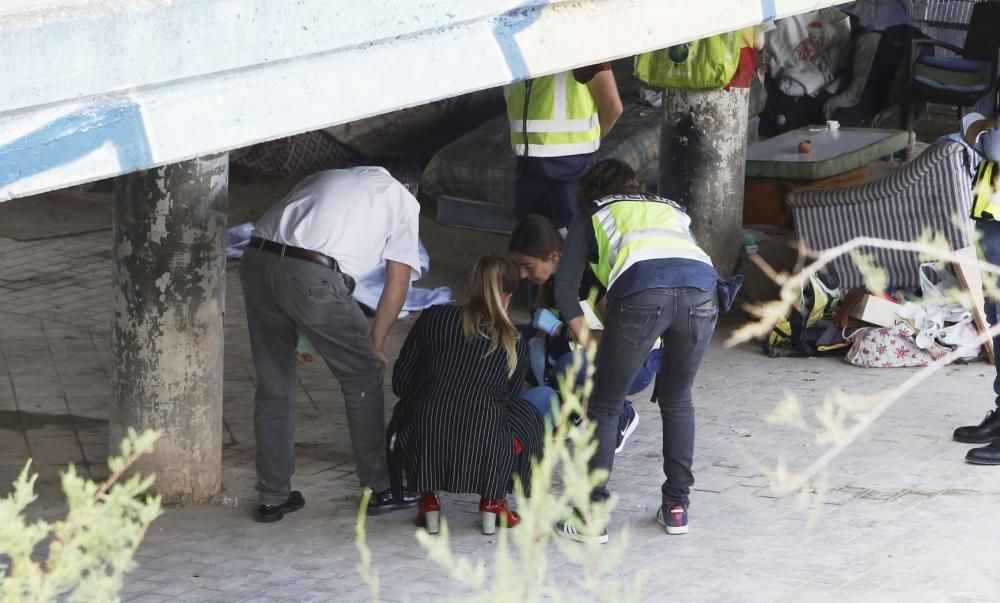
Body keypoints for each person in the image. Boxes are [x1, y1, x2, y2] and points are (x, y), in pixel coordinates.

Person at [551, 159, 738, 544]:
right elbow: (680, 264)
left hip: (642, 292)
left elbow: (564, 291)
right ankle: (676, 507)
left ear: (589, 191)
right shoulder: (671, 209)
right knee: (677, 399)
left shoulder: (593, 213)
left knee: (604, 406)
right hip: (704, 293)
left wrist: (586, 336)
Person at [239, 166, 422, 523]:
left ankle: (272, 496)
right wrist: (376, 342)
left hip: (256, 262)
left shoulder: (335, 176)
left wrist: (305, 336)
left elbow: (299, 249)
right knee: (363, 374)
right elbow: (397, 281)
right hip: (311, 277)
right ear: (409, 186)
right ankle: (381, 487)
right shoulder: (403, 200)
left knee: (274, 385)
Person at [391, 256, 545, 535]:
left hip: (425, 435)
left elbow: (401, 383)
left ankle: (428, 500)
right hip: (487, 441)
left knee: (412, 410)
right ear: (508, 298)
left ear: (468, 288)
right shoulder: (515, 342)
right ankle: (494, 501)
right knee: (528, 414)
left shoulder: (432, 317)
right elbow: (506, 399)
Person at [508, 214, 650, 452]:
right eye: (519, 266)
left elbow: (624, 337)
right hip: (582, 355)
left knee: (566, 366)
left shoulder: (586, 278)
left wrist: (568, 331)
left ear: (554, 257)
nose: (522, 275)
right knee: (517, 345)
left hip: (632, 365)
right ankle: (571, 410)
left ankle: (621, 413)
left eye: (528, 266)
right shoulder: (549, 280)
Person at [505, 65, 623, 230]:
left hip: (571, 166)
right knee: (531, 240)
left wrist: (589, 140)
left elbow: (613, 108)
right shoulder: (511, 53)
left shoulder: (580, 50)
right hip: (527, 165)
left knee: (573, 239)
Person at [953, 78, 1000, 464]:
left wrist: (983, 129)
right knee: (996, 315)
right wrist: (984, 126)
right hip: (992, 212)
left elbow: (991, 143)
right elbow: (968, 121)